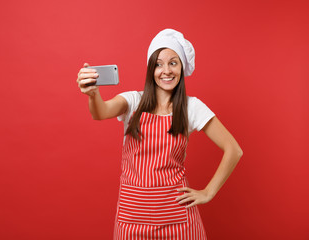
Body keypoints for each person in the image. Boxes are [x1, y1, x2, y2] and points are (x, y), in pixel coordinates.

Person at [76, 29, 243, 240]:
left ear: (182, 67)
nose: (166, 71)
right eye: (158, 64)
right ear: (150, 68)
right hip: (132, 218)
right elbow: (100, 112)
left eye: (173, 63)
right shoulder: (132, 101)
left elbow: (234, 150)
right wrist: (93, 95)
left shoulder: (191, 107)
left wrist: (208, 192)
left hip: (177, 219)